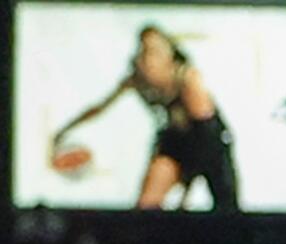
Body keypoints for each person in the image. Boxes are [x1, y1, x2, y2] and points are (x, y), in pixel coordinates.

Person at [50, 25, 239, 211]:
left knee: (227, 209)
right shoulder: (136, 80)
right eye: (144, 51)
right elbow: (100, 107)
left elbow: (205, 131)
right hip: (175, 140)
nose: (148, 60)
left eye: (154, 52)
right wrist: (67, 128)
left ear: (169, 57)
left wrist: (186, 187)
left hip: (210, 143)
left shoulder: (187, 78)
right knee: (147, 205)